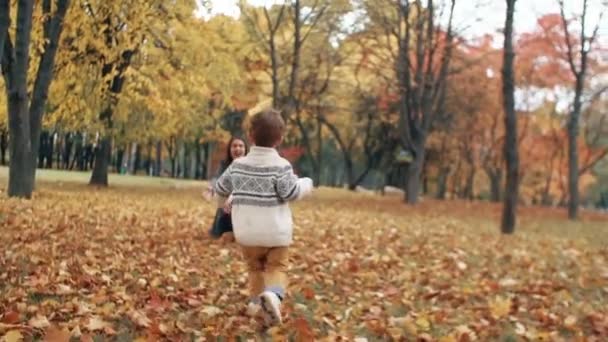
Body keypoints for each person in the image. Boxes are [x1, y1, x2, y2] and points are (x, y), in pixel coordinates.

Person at [214, 109, 313, 326]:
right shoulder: (281, 166)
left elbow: (220, 189)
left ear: (250, 136)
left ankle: (256, 302)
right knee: (276, 267)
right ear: (280, 139)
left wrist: (225, 205)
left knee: (254, 268)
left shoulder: (237, 166)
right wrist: (306, 184)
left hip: (247, 233)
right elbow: (291, 193)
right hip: (276, 233)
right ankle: (274, 297)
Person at [207, 136, 248, 242]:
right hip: (227, 206)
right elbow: (217, 179)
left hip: (245, 203)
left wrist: (233, 196)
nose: (237, 149)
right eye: (234, 146)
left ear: (245, 149)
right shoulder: (224, 164)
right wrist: (211, 188)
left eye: (241, 146)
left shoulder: (249, 166)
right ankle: (223, 229)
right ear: (230, 150)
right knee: (223, 197)